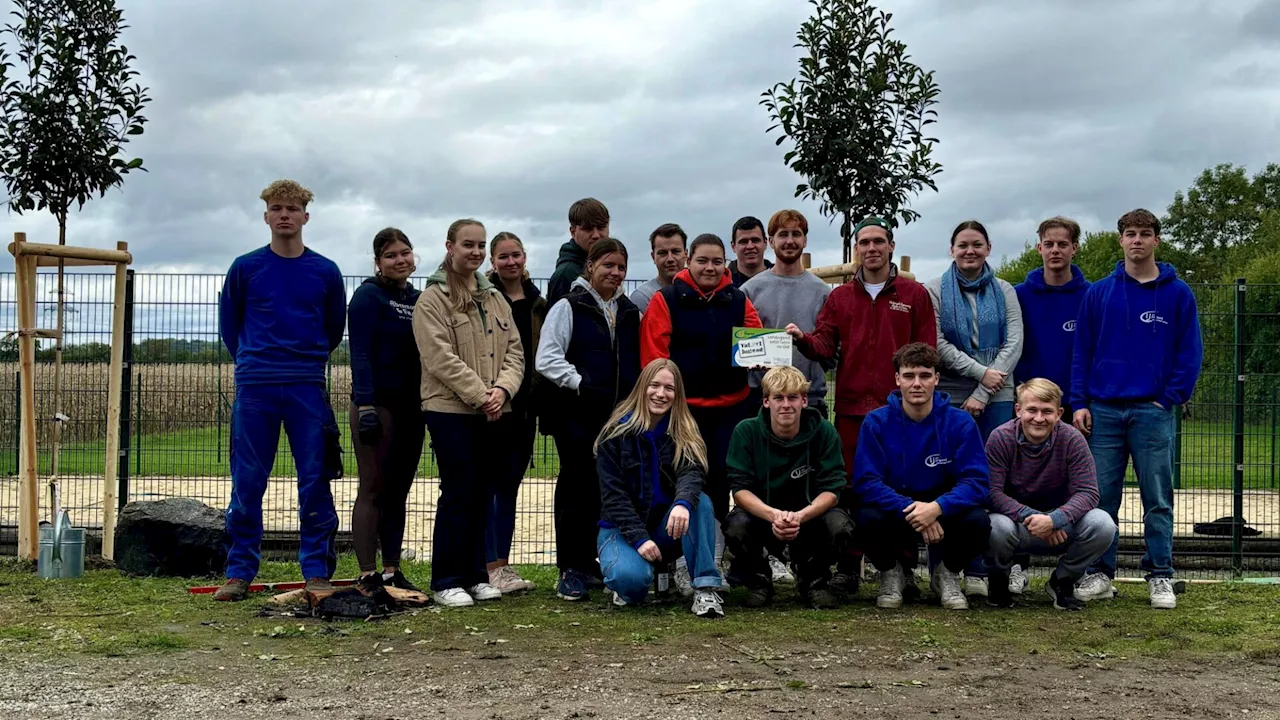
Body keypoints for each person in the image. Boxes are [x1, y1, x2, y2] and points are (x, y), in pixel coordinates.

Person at [787, 215, 936, 594]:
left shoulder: (913, 295)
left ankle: (902, 567)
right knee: (851, 488)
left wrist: (912, 394)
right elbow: (824, 347)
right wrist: (802, 340)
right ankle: (849, 568)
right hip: (851, 409)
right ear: (856, 250)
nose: (871, 248)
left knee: (901, 484)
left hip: (899, 412)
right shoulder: (839, 298)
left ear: (891, 247)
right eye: (863, 242)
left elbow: (926, 352)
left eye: (878, 241)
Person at [213, 180, 346, 602]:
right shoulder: (245, 268)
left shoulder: (325, 271)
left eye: (292, 208)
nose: (284, 215)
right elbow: (229, 327)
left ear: (306, 216)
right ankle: (239, 572)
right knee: (248, 480)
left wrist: (305, 361)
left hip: (307, 385)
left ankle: (317, 572)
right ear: (266, 216)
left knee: (314, 479)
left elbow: (333, 328)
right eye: (276, 208)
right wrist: (255, 361)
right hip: (256, 386)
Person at [1070, 209, 1204, 610]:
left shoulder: (1178, 293)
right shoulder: (1099, 293)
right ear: (1120, 240)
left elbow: (1190, 352)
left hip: (1152, 411)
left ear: (1156, 241)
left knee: (1157, 498)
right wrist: (1079, 401)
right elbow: (1082, 352)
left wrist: (1168, 398)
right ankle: (1100, 574)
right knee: (1101, 499)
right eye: (1130, 234)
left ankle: (1160, 575)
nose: (1137, 241)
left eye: (1145, 234)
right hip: (1104, 410)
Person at [413, 218, 524, 607]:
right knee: (458, 491)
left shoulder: (495, 299)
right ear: (450, 246)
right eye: (468, 245)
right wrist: (481, 394)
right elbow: (439, 357)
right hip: (451, 410)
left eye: (480, 246)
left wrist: (502, 390)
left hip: (495, 409)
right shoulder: (432, 299)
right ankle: (446, 578)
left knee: (483, 493)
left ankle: (477, 575)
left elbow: (515, 351)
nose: (475, 252)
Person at [640, 233, 762, 581]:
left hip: (732, 409)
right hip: (684, 411)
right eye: (703, 260)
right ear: (688, 262)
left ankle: (715, 558)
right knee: (680, 481)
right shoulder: (666, 300)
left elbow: (756, 341)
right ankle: (678, 562)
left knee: (722, 481)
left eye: (717, 261)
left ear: (726, 264)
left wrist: (765, 358)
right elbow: (654, 357)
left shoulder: (738, 299)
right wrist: (664, 402)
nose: (710, 267)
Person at [536, 238, 641, 601]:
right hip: (578, 414)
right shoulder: (569, 306)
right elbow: (547, 357)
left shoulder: (628, 311)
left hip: (617, 417)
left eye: (621, 267)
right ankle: (570, 567)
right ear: (590, 266)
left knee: (606, 489)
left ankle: (594, 562)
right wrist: (580, 383)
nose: (615, 273)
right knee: (576, 487)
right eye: (608, 265)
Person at [852, 343, 991, 611]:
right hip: (897, 508)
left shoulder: (961, 423)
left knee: (979, 521)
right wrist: (914, 510)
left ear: (936, 379)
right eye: (909, 376)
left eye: (925, 376)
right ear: (897, 379)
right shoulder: (876, 422)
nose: (917, 384)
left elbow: (976, 483)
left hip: (943, 509)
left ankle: (946, 573)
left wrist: (937, 508)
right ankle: (892, 573)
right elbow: (867, 482)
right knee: (864, 516)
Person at [925, 219, 1022, 596]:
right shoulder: (933, 291)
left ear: (988, 248)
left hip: (998, 391)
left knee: (994, 477)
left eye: (977, 244)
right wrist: (981, 373)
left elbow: (1015, 341)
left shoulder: (1005, 290)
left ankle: (986, 569)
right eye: (962, 244)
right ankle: (945, 568)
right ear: (952, 249)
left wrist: (985, 387)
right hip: (950, 389)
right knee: (945, 476)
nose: (970, 251)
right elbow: (937, 344)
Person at [595, 358, 725, 617]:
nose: (661, 394)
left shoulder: (684, 431)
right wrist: (640, 539)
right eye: (654, 385)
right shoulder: (615, 434)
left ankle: (706, 588)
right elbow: (614, 497)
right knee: (632, 583)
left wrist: (682, 503)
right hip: (622, 530)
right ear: (642, 387)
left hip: (667, 527)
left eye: (669, 388)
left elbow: (692, 472)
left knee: (701, 502)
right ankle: (627, 576)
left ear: (677, 395)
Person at [1006, 216, 1091, 595]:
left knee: (1073, 484)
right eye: (1049, 244)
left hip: (1071, 406)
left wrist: (1079, 401)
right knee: (1020, 482)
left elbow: (1089, 352)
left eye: (1063, 244)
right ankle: (1016, 567)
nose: (1055, 250)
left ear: (1074, 248)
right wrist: (1020, 398)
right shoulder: (1020, 294)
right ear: (1038, 247)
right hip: (1028, 405)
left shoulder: (1089, 295)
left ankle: (1074, 572)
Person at [723, 366, 853, 609]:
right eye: (778, 398)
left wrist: (800, 517)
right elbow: (739, 490)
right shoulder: (746, 431)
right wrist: (773, 516)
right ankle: (759, 579)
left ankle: (814, 579)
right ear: (765, 401)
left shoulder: (824, 431)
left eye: (792, 397)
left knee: (840, 525)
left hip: (810, 515)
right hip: (762, 515)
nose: (786, 405)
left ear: (804, 400)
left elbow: (833, 490)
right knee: (736, 525)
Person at [985, 378, 1115, 611]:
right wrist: (1035, 518)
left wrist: (1055, 519)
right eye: (1031, 410)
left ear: (1059, 413)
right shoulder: (1000, 438)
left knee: (1103, 524)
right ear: (1018, 410)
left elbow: (1088, 492)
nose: (1038, 418)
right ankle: (999, 582)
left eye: (1047, 411)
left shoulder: (1072, 439)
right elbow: (992, 493)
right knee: (994, 525)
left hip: (1061, 526)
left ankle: (1062, 581)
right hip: (1017, 524)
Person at [347, 228, 426, 595]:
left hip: (413, 404)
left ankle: (392, 570)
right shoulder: (367, 297)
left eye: (405, 253)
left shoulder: (419, 299)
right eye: (391, 255)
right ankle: (366, 573)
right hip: (377, 404)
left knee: (399, 490)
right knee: (373, 487)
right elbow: (359, 353)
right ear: (378, 262)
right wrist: (365, 406)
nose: (400, 260)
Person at [484, 231, 546, 593]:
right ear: (493, 261)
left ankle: (501, 566)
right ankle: (488, 564)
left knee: (509, 486)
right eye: (503, 256)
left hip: (526, 408)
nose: (511, 262)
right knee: (489, 486)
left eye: (516, 255)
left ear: (525, 258)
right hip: (493, 403)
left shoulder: (539, 303)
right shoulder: (484, 298)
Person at [742, 209, 831, 416]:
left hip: (810, 400)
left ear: (805, 240)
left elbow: (830, 350)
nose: (789, 241)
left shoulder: (823, 293)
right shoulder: (749, 291)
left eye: (796, 234)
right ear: (771, 241)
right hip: (760, 400)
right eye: (783, 234)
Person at [548, 198, 610, 306]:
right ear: (573, 232)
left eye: (601, 227)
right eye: (588, 229)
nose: (596, 235)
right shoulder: (566, 274)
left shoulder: (610, 266)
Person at [630, 223, 688, 314]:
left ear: (686, 254)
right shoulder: (643, 297)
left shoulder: (702, 292)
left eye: (676, 252)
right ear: (653, 257)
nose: (670, 259)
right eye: (663, 253)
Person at [728, 216, 773, 287]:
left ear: (765, 243)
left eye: (755, 240)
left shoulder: (782, 277)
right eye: (743, 242)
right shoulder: (720, 283)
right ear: (733, 246)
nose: (750, 246)